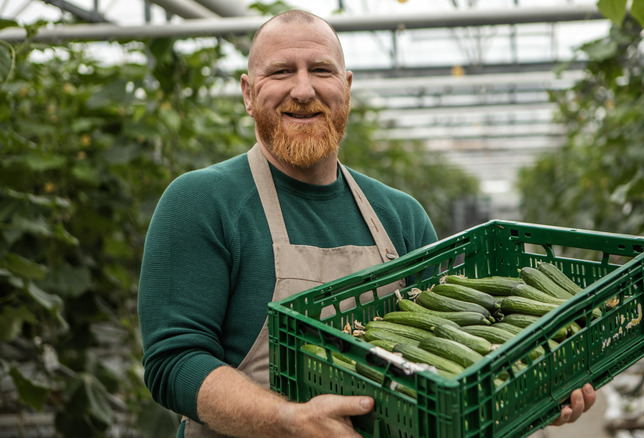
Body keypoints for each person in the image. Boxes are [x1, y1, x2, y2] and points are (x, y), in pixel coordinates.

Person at [138, 9, 596, 438]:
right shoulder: (201, 200)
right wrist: (290, 419)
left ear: (347, 87)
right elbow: (174, 362)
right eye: (280, 72)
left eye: (321, 70)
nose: (302, 90)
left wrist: (527, 391)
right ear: (247, 92)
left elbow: (447, 361)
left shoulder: (401, 214)